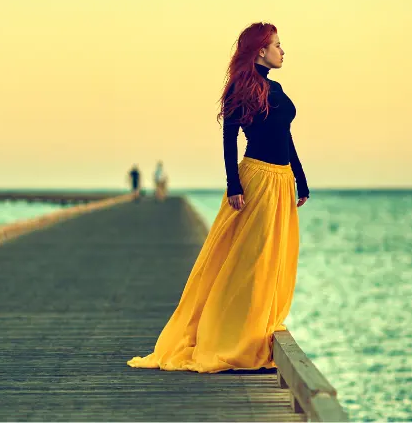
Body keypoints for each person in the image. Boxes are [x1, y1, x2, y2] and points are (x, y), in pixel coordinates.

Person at [127, 22, 309, 373]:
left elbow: (286, 136)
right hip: (256, 179)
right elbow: (229, 140)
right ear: (260, 50)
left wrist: (300, 178)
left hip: (282, 180)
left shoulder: (278, 88)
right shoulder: (241, 89)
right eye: (277, 45)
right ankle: (234, 336)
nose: (282, 51)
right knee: (249, 261)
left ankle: (258, 328)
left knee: (274, 258)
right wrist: (233, 185)